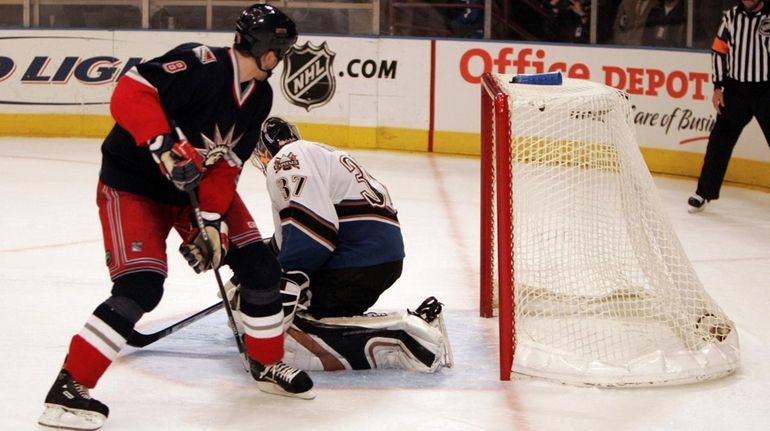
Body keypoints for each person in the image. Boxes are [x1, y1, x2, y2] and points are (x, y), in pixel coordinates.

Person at [38, 5, 312, 430]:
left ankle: (266, 363)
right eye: (281, 50)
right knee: (141, 286)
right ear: (267, 50)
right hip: (133, 187)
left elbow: (227, 164)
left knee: (259, 267)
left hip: (194, 189)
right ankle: (69, 387)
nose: (282, 58)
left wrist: (213, 222)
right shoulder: (200, 64)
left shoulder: (260, 97)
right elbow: (130, 91)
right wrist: (163, 143)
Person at [225, 117, 453, 372]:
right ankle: (405, 328)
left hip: (357, 259)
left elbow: (312, 235)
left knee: (293, 332)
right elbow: (286, 241)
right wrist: (252, 272)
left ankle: (406, 338)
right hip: (372, 258)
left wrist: (281, 291)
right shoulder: (315, 153)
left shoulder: (286, 160)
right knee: (295, 312)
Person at [688, 0, 770, 212]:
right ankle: (703, 192)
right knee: (719, 142)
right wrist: (718, 86)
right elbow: (719, 50)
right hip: (735, 92)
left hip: (766, 91)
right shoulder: (731, 16)